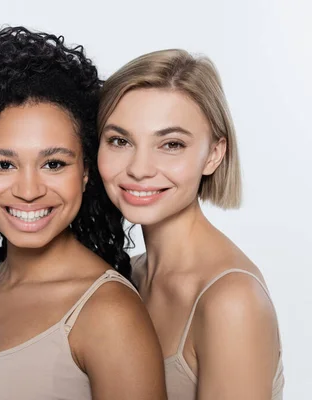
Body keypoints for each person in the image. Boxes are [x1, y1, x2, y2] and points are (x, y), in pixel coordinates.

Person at [0, 27, 166, 399]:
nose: (29, 191)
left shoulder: (107, 313)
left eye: (54, 164)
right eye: (3, 165)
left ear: (85, 171)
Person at [97, 49, 284, 399]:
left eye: (171, 144)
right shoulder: (128, 276)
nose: (139, 168)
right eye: (120, 141)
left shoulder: (231, 301)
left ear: (214, 154)